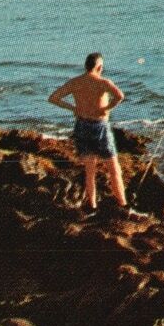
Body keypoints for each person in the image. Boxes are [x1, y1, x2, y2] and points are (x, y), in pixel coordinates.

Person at [48, 53, 147, 217]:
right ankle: (123, 205)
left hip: (81, 125)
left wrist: (73, 108)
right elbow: (120, 96)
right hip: (99, 126)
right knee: (114, 169)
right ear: (99, 67)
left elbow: (53, 98)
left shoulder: (75, 82)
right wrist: (107, 108)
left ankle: (92, 206)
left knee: (90, 170)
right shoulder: (103, 82)